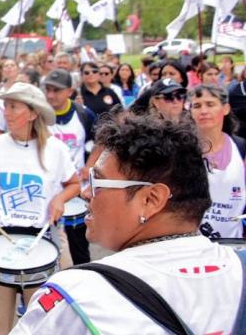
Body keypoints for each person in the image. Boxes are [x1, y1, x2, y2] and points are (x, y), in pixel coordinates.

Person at [12, 113, 246, 334]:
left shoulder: (77, 296)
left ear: (150, 199)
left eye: (98, 181)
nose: (86, 193)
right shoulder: (240, 270)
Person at [0, 82, 78, 335]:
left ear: (33, 113)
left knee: (50, 323)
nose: (7, 112)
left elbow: (74, 184)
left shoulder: (55, 149)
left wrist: (60, 200)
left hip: (44, 239)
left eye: (14, 106)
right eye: (5, 106)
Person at [43, 69, 96, 264]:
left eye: (56, 90)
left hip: (75, 193)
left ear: (70, 91)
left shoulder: (83, 114)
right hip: (47, 193)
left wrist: (89, 166)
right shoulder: (39, 116)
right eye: (47, 89)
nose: (50, 95)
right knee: (47, 252)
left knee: (79, 251)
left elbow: (101, 142)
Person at [189, 84, 246, 240]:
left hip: (233, 244)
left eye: (210, 104)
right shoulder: (182, 150)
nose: (204, 111)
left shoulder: (241, 148)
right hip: (191, 246)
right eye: (197, 106)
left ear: (225, 109)